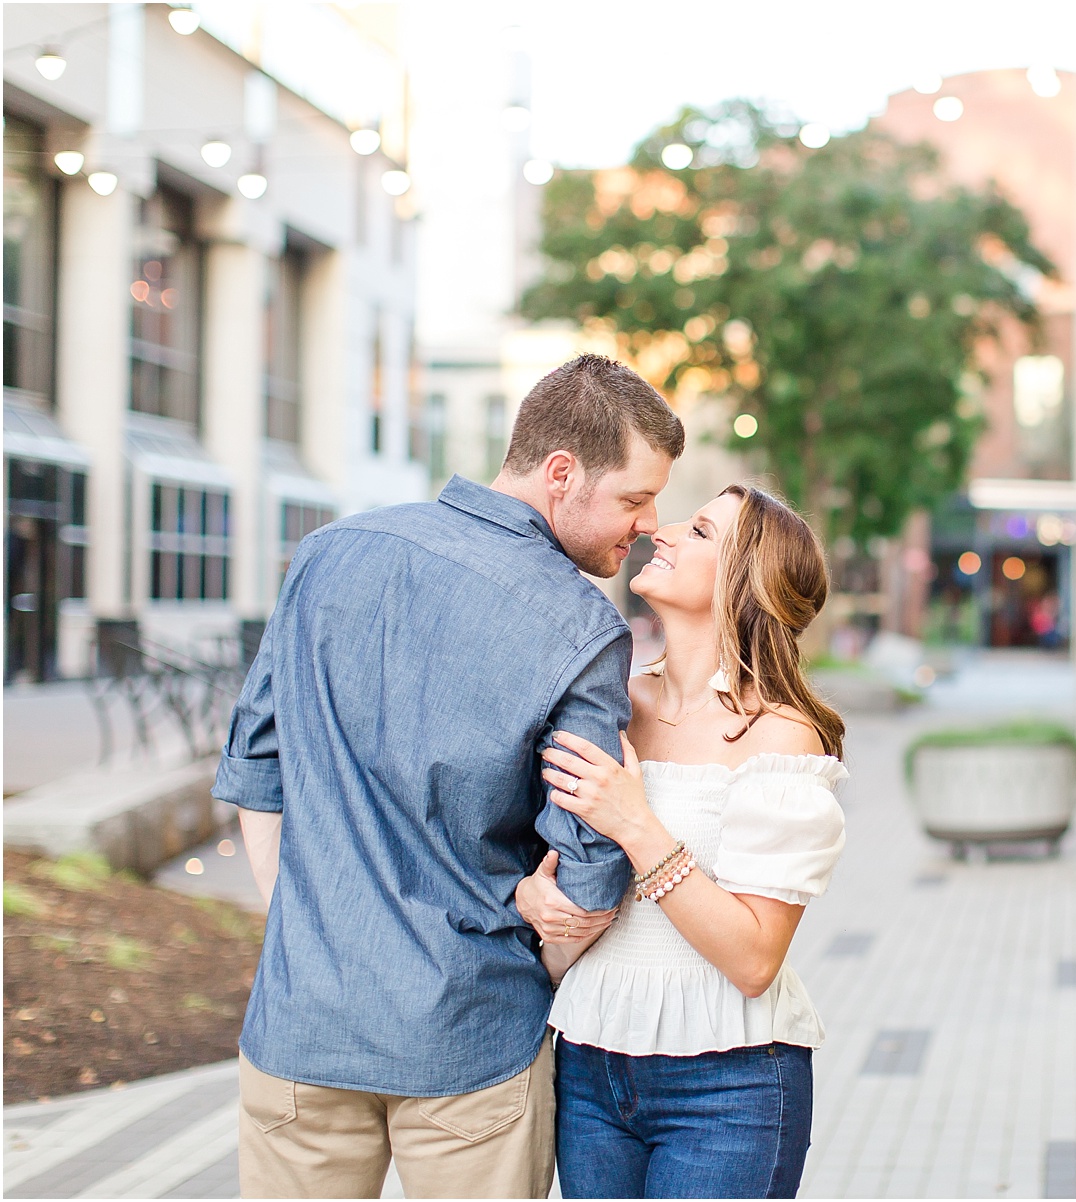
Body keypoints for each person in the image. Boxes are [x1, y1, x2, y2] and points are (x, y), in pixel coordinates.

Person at [213, 354, 683, 1199]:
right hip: (471, 1036)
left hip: (302, 1023)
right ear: (561, 472)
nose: (648, 524)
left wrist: (313, 931)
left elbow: (255, 768)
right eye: (634, 499)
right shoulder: (582, 627)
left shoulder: (328, 554)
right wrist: (521, 974)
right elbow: (589, 869)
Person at [514, 484, 849, 1199]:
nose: (660, 532)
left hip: (728, 1083)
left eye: (698, 531)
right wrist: (529, 892)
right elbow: (531, 846)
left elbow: (755, 959)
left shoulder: (780, 734)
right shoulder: (612, 703)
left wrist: (637, 824)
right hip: (590, 1064)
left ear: (743, 579)